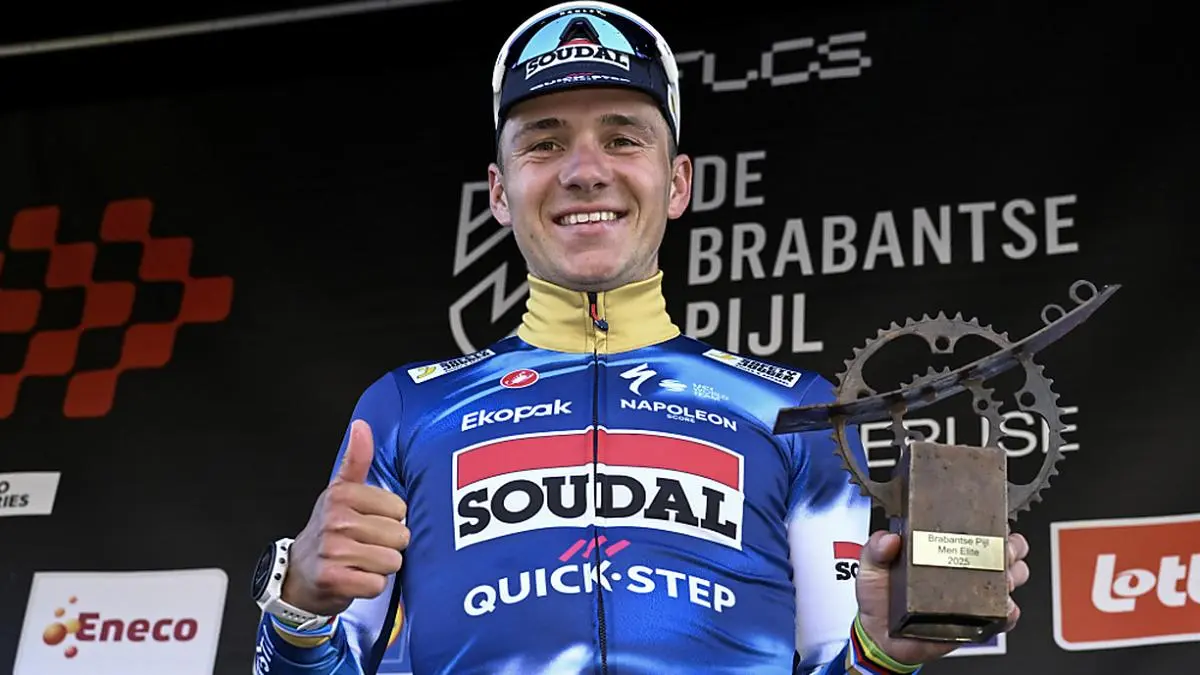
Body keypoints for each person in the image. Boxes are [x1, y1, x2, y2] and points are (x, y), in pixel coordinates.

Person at [249, 2, 1031, 673]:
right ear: (499, 191)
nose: (584, 171)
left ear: (678, 181)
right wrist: (299, 609)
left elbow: (838, 661)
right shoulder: (405, 409)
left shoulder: (796, 412)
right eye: (544, 142)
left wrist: (880, 651)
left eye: (623, 138)